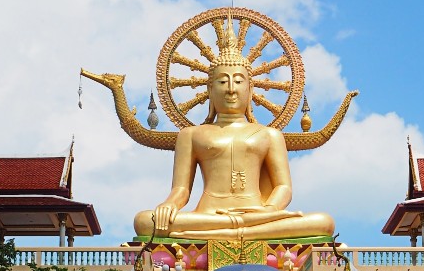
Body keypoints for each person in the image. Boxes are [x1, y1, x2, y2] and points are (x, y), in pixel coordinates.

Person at [134, 14, 335, 241]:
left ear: (251, 89)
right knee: (144, 221)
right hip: (208, 215)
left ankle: (237, 229)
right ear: (209, 89)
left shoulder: (269, 135)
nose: (231, 89)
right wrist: (168, 205)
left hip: (258, 213)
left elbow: (284, 188)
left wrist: (269, 209)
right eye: (222, 82)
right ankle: (241, 230)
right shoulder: (191, 135)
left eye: (238, 81)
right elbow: (181, 190)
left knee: (324, 222)